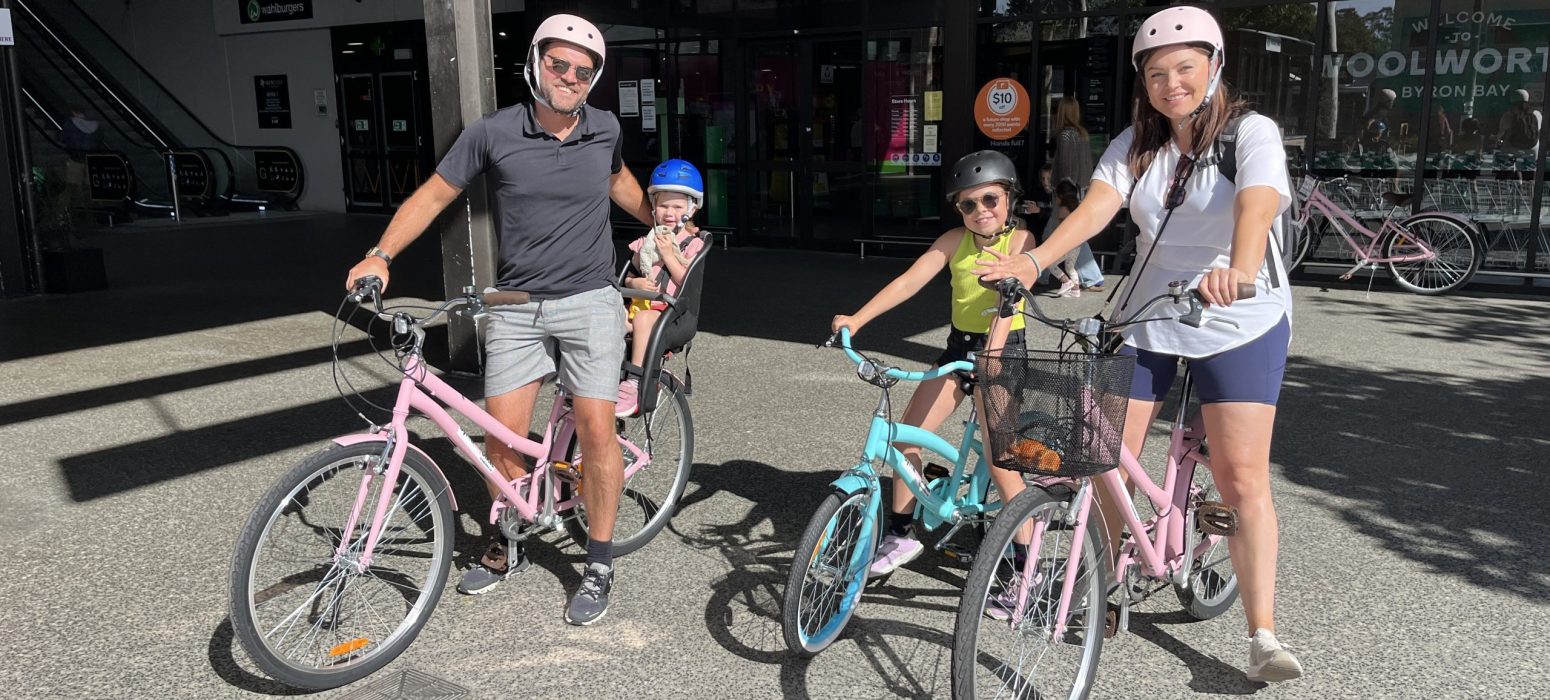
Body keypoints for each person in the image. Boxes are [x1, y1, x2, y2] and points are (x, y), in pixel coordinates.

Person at [975, 5, 1302, 683]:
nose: (1171, 82)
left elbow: (1258, 204)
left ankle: (1262, 632)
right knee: (1101, 459)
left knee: (1240, 478)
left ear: (1213, 68)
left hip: (1239, 313)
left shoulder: (1252, 134)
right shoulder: (1136, 143)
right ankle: (1101, 586)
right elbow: (1096, 206)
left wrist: (1238, 269)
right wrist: (1034, 263)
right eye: (1157, 72)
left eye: (1185, 68)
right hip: (1150, 312)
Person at [344, 14, 653, 626]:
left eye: (583, 71)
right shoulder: (492, 132)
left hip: (591, 300)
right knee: (499, 439)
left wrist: (663, 228)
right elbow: (434, 193)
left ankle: (598, 560)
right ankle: (507, 539)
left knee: (595, 428)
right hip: (515, 304)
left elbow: (619, 180)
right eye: (559, 64)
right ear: (536, 62)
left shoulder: (605, 129)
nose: (570, 77)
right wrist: (380, 256)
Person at [831, 150, 1032, 588]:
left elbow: (1010, 300)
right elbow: (908, 281)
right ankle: (901, 535)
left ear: (1010, 198)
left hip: (1002, 351)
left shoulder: (1020, 243)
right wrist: (857, 319)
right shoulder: (952, 241)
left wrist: (992, 357)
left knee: (1003, 461)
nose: (981, 211)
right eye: (968, 204)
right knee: (905, 435)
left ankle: (1023, 567)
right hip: (958, 348)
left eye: (991, 200)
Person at [617, 159, 706, 416]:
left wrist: (668, 255)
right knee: (607, 315)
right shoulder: (647, 240)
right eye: (663, 205)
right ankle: (598, 381)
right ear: (653, 206)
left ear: (691, 208)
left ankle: (634, 383)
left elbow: (686, 282)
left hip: (673, 313)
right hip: (639, 303)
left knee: (645, 320)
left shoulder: (692, 245)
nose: (669, 212)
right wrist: (636, 282)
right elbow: (629, 275)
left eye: (677, 206)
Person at [1050, 95, 1107, 292]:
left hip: (1066, 192)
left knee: (1066, 234)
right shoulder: (1081, 134)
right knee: (1070, 234)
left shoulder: (1065, 135)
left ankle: (1090, 276)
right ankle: (1042, 273)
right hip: (1079, 189)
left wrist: (1063, 191)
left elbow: (1066, 167)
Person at [59, 105, 103, 187]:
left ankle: (77, 198)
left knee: (73, 184)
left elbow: (63, 138)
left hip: (76, 156)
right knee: (91, 185)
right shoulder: (96, 125)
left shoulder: (70, 123)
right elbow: (100, 141)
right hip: (92, 158)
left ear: (73, 112)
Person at [1497, 89, 1542, 160]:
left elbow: (1501, 133)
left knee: (1504, 154)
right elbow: (1538, 131)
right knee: (1531, 167)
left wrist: (1495, 139)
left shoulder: (1509, 115)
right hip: (1533, 148)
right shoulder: (1537, 114)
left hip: (1513, 147)